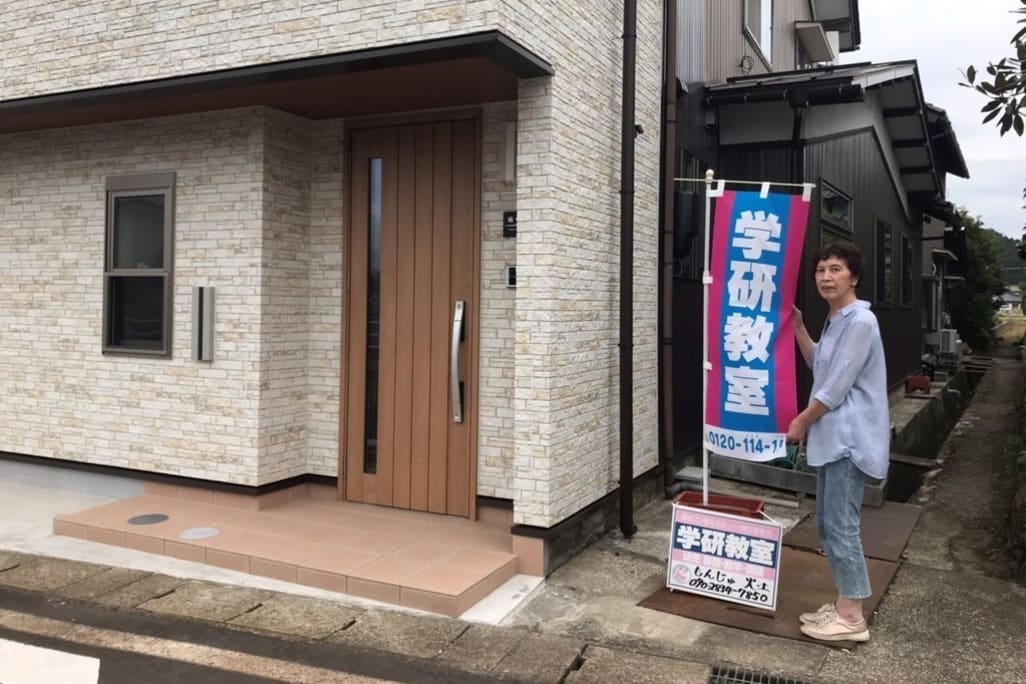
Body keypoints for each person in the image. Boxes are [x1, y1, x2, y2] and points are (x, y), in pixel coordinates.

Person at [787, 241, 889, 643]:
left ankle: (851, 618)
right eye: (821, 270)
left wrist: (801, 420)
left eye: (836, 270)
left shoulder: (860, 321)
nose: (826, 277)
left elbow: (835, 387)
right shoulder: (836, 319)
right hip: (834, 437)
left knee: (841, 526)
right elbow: (820, 363)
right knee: (828, 524)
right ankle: (845, 602)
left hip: (850, 438)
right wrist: (798, 327)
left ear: (854, 277)